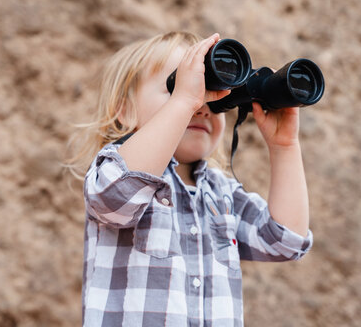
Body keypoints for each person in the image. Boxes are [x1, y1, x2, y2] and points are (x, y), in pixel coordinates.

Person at [66, 31, 313, 327]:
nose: (201, 105)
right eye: (177, 87)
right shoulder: (116, 168)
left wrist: (284, 146)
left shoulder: (221, 193)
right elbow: (115, 199)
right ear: (125, 109)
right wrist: (183, 102)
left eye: (215, 95)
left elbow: (284, 241)